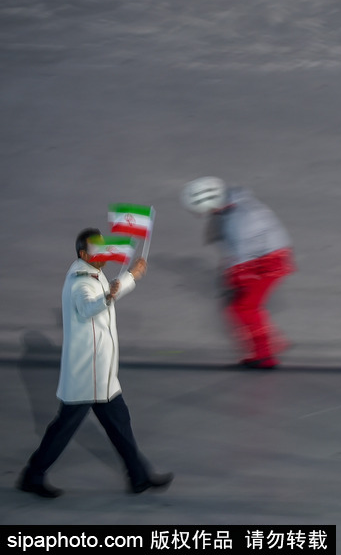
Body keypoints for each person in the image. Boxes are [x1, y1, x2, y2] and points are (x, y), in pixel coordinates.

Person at [17, 229, 173, 498]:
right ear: (82, 254)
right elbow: (89, 306)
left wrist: (125, 279)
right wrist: (124, 282)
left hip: (101, 374)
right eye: (96, 249)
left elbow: (106, 293)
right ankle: (33, 475)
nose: (103, 252)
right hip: (87, 375)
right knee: (64, 428)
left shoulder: (92, 270)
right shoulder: (80, 281)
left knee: (120, 424)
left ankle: (139, 477)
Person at [181, 177, 295, 369]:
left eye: (206, 210)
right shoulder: (233, 206)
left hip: (267, 263)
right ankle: (270, 344)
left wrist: (235, 276)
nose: (206, 215)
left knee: (245, 308)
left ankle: (265, 355)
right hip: (265, 259)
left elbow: (244, 251)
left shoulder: (241, 217)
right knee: (241, 307)